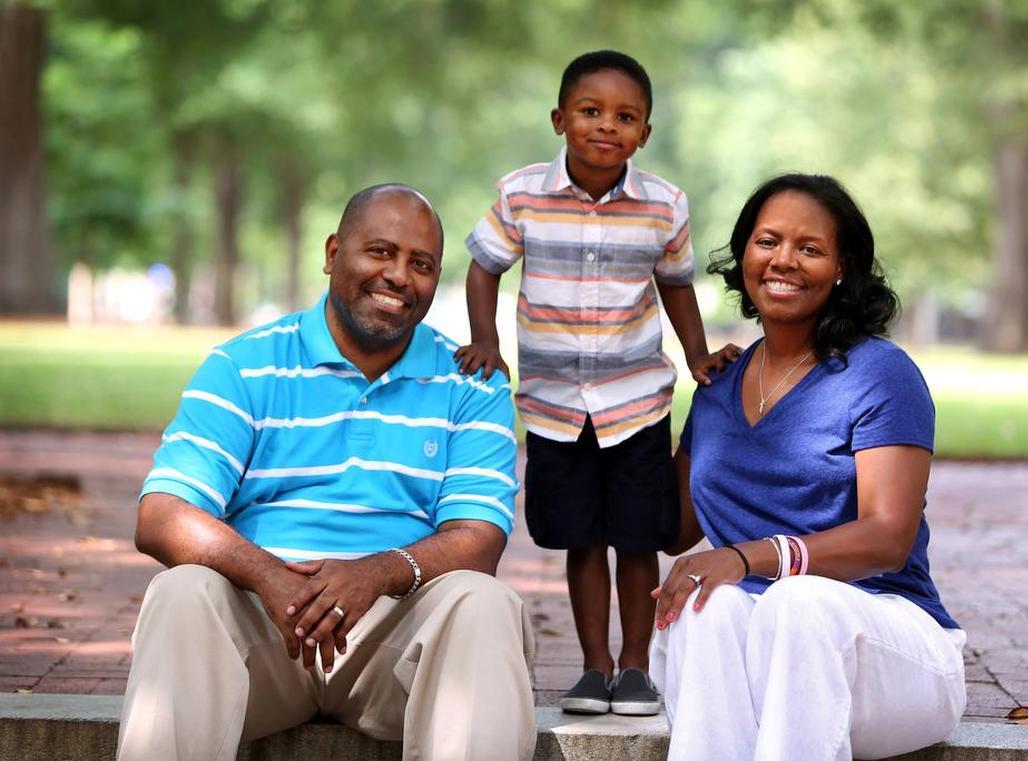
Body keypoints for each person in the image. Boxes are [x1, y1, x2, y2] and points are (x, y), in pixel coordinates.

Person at [117, 184, 536, 761]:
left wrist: (378, 573)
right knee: (181, 592)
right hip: (260, 638)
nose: (398, 276)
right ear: (333, 251)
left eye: (421, 264)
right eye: (380, 252)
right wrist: (269, 577)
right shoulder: (244, 364)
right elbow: (161, 514)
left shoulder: (472, 383)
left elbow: (479, 539)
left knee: (484, 603)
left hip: (395, 645)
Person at [457, 50, 738, 716]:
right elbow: (482, 266)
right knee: (582, 538)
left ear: (644, 132)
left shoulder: (664, 204)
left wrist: (697, 355)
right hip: (554, 407)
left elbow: (675, 286)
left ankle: (636, 668)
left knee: (638, 536)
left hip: (635, 401)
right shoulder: (521, 193)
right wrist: (487, 339)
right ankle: (594, 666)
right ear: (560, 119)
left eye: (625, 116)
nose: (606, 126)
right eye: (590, 111)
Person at [649, 174, 967, 761]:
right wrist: (626, 398)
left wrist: (748, 556)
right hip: (760, 644)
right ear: (745, 254)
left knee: (798, 601)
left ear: (842, 267)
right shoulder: (718, 390)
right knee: (706, 604)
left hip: (889, 648)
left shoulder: (880, 374)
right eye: (768, 242)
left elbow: (887, 539)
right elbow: (672, 532)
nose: (784, 261)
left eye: (810, 248)